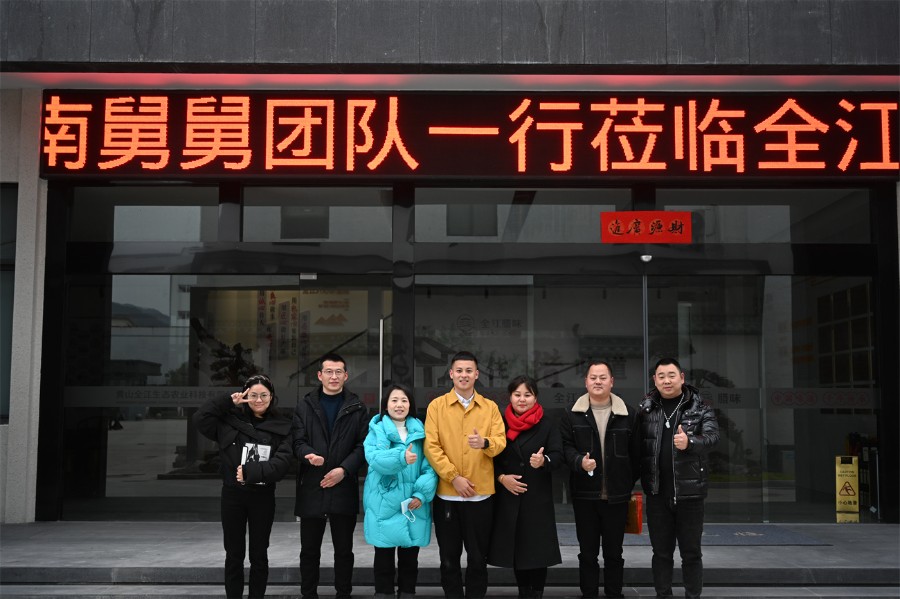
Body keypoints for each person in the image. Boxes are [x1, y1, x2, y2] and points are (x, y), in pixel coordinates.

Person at [193, 374, 293, 599]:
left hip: (262, 496)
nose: (259, 400)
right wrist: (228, 401)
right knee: (233, 554)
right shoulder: (229, 420)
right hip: (232, 495)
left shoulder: (283, 426)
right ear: (245, 396)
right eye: (253, 395)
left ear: (272, 397)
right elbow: (200, 418)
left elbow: (282, 464)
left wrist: (250, 472)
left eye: (264, 395)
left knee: (259, 554)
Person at [424, 350, 507, 599]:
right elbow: (431, 447)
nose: (464, 375)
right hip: (448, 496)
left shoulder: (490, 408)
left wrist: (484, 443)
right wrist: (454, 477)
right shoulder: (437, 406)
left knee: (478, 559)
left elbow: (500, 441)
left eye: (469, 371)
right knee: (448, 559)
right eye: (459, 370)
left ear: (477, 374)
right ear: (451, 374)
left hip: (480, 497)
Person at [559, 360, 640, 599]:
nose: (598, 382)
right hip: (585, 496)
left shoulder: (628, 414)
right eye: (593, 377)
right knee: (588, 553)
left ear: (612, 382)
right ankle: (589, 594)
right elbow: (565, 448)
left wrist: (624, 483)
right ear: (586, 382)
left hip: (617, 497)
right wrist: (579, 463)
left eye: (603, 377)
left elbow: (636, 456)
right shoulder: (571, 414)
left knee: (614, 552)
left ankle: (615, 593)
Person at [639, 358, 720, 599]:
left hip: (689, 495)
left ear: (682, 378)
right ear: (655, 380)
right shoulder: (646, 409)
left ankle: (692, 595)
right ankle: (663, 594)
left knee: (691, 553)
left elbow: (713, 437)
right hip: (657, 494)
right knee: (661, 553)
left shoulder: (700, 406)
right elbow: (637, 447)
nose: (666, 380)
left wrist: (690, 442)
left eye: (671, 375)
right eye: (661, 376)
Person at [292, 353, 369, 599]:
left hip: (343, 486)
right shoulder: (304, 406)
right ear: (319, 375)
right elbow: (297, 441)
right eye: (328, 372)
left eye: (338, 372)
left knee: (344, 550)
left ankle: (343, 593)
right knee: (309, 550)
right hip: (312, 485)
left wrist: (343, 470)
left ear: (346, 376)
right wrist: (308, 455)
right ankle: (308, 594)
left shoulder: (357, 408)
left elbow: (363, 446)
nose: (333, 376)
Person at [487, 375, 562, 599]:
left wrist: (544, 461)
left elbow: (558, 455)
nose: (522, 399)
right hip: (509, 496)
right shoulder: (499, 423)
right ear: (510, 397)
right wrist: (502, 478)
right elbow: (490, 459)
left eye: (527, 395)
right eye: (517, 394)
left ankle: (537, 593)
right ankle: (523, 592)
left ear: (535, 397)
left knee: (537, 549)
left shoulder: (547, 423)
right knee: (518, 549)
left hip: (536, 497)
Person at [363, 383, 438, 599]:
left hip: (413, 504)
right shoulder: (376, 431)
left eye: (404, 400)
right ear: (386, 405)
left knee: (410, 560)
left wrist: (421, 494)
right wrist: (400, 458)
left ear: (410, 405)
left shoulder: (421, 432)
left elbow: (430, 467)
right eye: (394, 400)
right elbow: (375, 459)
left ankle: (407, 594)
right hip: (383, 503)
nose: (399, 405)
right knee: (383, 559)